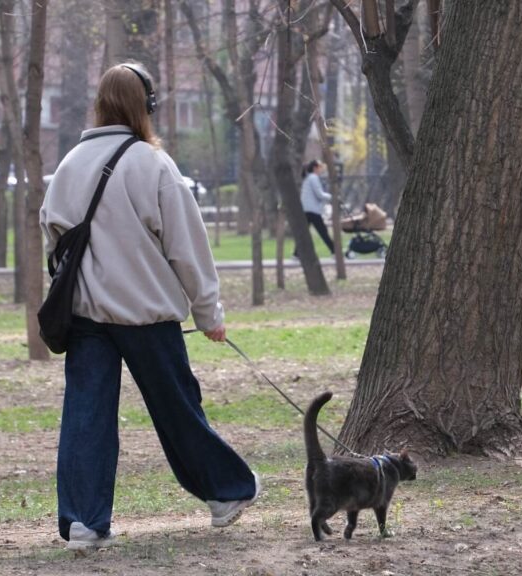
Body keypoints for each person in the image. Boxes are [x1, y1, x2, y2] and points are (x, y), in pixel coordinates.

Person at [40, 63, 259, 551]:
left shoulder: (68, 166)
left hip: (85, 317)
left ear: (99, 102)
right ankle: (224, 495)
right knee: (178, 409)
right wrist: (209, 313)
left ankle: (82, 522)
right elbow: (188, 247)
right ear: (147, 105)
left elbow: (53, 247)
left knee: (85, 417)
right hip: (147, 315)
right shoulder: (153, 164)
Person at [297, 159, 335, 256]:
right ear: (315, 168)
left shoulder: (308, 178)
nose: (322, 169)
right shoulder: (313, 178)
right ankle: (335, 251)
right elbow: (319, 194)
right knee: (323, 232)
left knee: (304, 233)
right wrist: (332, 197)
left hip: (307, 209)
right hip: (312, 210)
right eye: (320, 167)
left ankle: (296, 253)